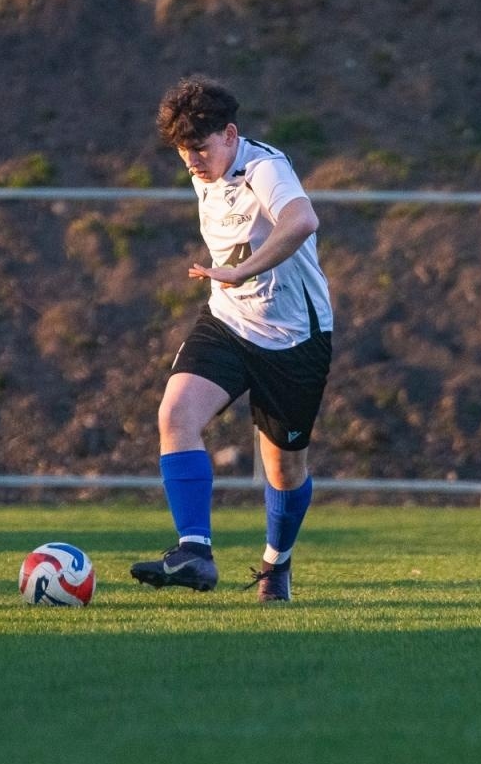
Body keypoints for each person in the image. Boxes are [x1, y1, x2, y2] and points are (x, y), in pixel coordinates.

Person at [130, 76, 333, 603]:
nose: (193, 162)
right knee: (175, 415)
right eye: (182, 152)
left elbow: (302, 219)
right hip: (229, 323)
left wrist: (244, 272)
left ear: (230, 134)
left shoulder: (265, 167)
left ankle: (276, 565)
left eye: (200, 148)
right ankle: (195, 552)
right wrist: (233, 283)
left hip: (294, 339)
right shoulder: (204, 167)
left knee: (284, 470)